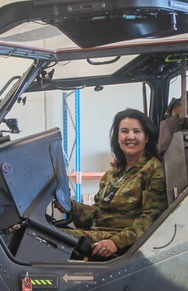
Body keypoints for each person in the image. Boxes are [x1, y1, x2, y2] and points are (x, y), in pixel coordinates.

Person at [62, 108, 167, 259]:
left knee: (46, 240)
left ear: (146, 137)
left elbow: (151, 219)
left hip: (121, 240)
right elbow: (96, 213)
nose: (130, 136)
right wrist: (68, 205)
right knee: (46, 233)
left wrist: (116, 242)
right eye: (124, 131)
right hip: (99, 233)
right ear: (118, 137)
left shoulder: (153, 171)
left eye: (137, 131)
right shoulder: (114, 173)